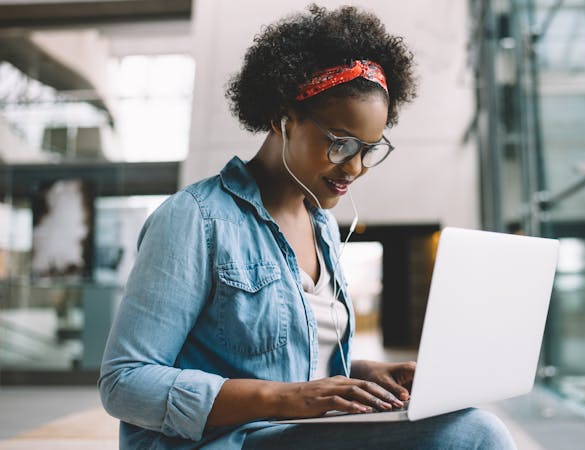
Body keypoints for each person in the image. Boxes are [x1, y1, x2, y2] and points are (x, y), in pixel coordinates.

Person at [99, 4, 517, 449]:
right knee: (474, 435)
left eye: (369, 150)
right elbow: (125, 383)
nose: (355, 168)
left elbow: (294, 362)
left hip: (295, 435)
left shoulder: (323, 228)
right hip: (228, 441)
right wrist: (281, 398)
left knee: (464, 421)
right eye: (341, 144)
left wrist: (364, 375)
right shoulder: (194, 220)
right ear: (284, 121)